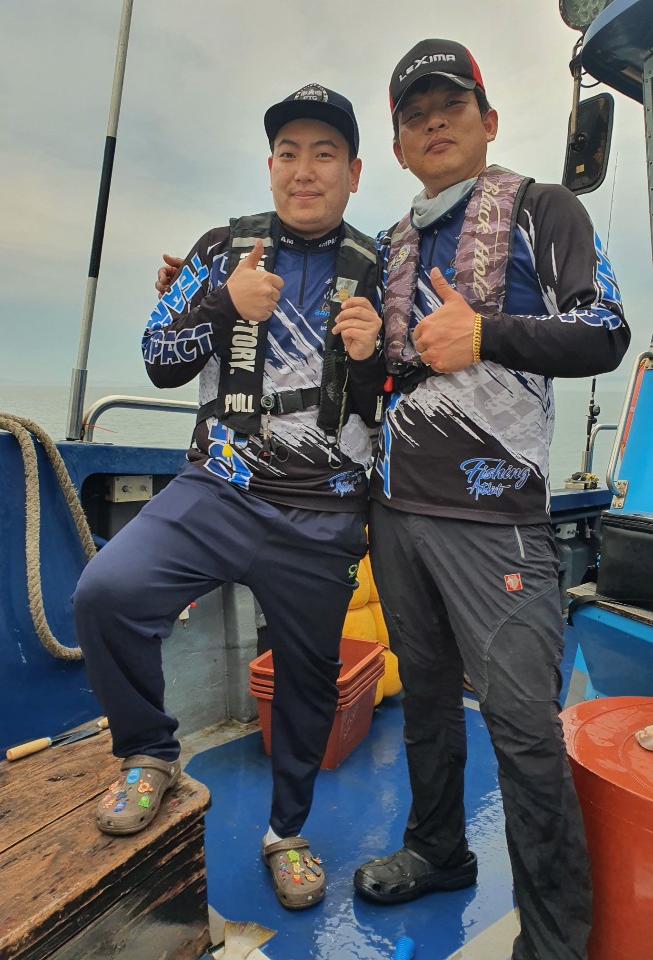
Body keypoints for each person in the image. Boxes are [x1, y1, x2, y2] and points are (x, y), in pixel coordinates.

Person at [72, 82, 383, 911]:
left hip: (323, 510)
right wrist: (220, 302)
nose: (304, 170)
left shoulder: (385, 267)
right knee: (106, 594)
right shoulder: (221, 249)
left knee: (310, 680)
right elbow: (158, 359)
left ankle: (287, 832)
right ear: (270, 165)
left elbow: (402, 392)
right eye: (289, 153)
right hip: (218, 487)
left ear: (353, 172)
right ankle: (150, 752)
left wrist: (374, 355)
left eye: (324, 154)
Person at [351, 39, 630, 960]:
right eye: (415, 115)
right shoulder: (388, 245)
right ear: (398, 146)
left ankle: (553, 942)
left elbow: (605, 330)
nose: (434, 123)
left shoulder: (545, 208)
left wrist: (487, 335)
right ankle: (439, 850)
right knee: (426, 699)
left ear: (489, 120)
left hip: (496, 520)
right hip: (397, 513)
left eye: (452, 106)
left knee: (521, 730)